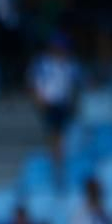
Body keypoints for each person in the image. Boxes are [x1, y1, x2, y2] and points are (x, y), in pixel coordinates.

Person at [29, 36, 79, 167]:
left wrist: (72, 102)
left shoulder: (70, 65)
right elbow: (35, 82)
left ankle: (58, 155)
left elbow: (74, 84)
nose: (59, 51)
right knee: (54, 131)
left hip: (63, 103)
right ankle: (55, 156)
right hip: (49, 102)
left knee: (60, 132)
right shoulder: (42, 63)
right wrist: (38, 99)